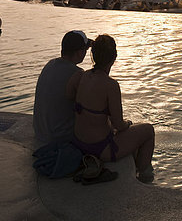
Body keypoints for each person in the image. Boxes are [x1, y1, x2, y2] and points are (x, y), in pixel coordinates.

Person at [69, 34, 155, 183]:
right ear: (114, 57)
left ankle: (138, 168)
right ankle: (145, 177)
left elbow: (69, 96)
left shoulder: (79, 76)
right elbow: (119, 125)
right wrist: (128, 123)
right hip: (100, 148)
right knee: (148, 130)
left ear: (93, 56)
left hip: (78, 142)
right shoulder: (111, 85)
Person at [33, 30, 91, 145]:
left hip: (40, 133)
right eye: (86, 50)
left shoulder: (50, 65)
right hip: (60, 138)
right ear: (80, 52)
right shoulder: (77, 74)